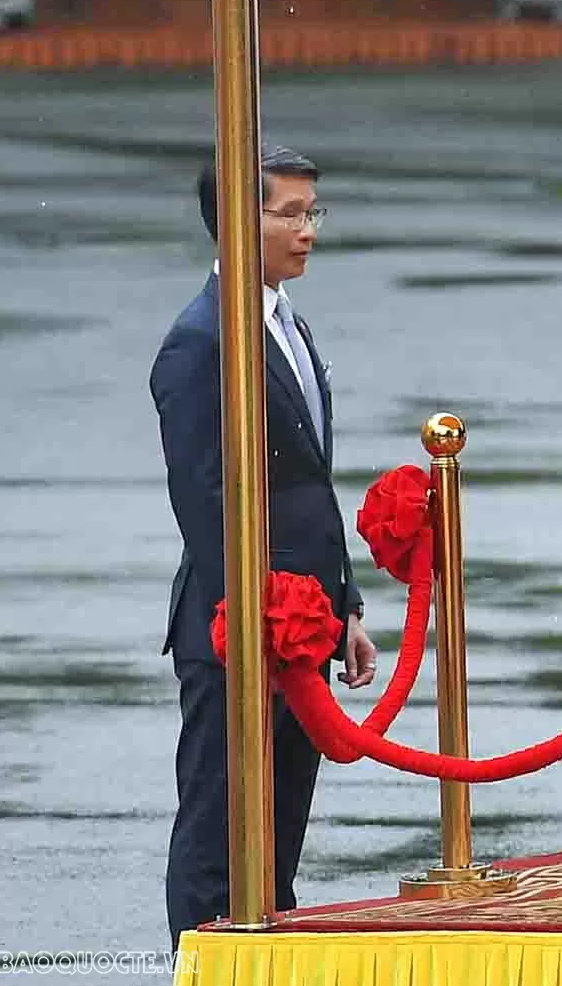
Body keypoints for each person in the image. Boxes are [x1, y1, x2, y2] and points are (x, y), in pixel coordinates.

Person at [155, 144, 376, 939]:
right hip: (237, 631)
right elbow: (204, 500)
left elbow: (304, 486)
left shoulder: (286, 321)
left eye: (312, 212)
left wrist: (341, 604)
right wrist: (259, 615)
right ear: (238, 220)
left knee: (277, 837)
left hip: (300, 628)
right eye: (290, 212)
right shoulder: (201, 340)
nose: (307, 229)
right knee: (219, 833)